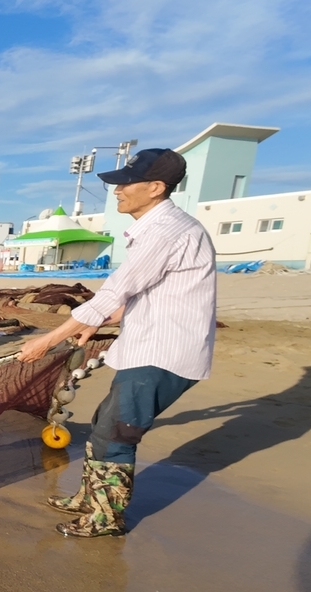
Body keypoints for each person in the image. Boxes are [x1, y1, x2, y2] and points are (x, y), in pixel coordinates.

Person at [16, 148, 213, 538]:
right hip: (146, 344)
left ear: (156, 187)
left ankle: (106, 517)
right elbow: (144, 294)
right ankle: (90, 498)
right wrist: (95, 323)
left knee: (116, 433)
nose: (117, 191)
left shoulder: (165, 232)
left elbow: (114, 291)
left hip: (163, 352)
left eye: (126, 183)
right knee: (107, 424)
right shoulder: (159, 229)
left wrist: (50, 339)